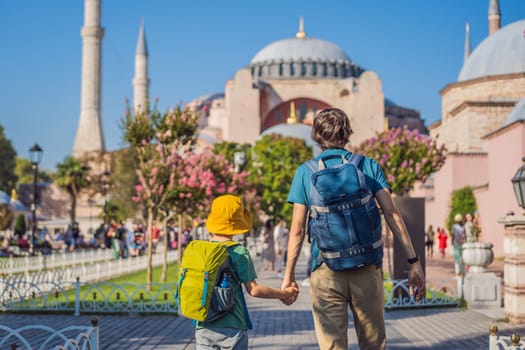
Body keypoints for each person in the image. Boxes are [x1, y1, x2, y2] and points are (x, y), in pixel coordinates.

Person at [282, 108, 425, 350]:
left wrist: (289, 276)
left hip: (326, 271)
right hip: (366, 269)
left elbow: (296, 231)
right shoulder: (368, 166)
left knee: (332, 345)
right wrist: (414, 261)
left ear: (316, 136)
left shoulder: (305, 172)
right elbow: (392, 215)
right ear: (348, 133)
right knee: (373, 344)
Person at [195, 194, 298, 349]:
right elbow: (254, 290)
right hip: (232, 328)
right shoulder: (238, 252)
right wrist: (284, 294)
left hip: (203, 326)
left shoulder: (199, 251)